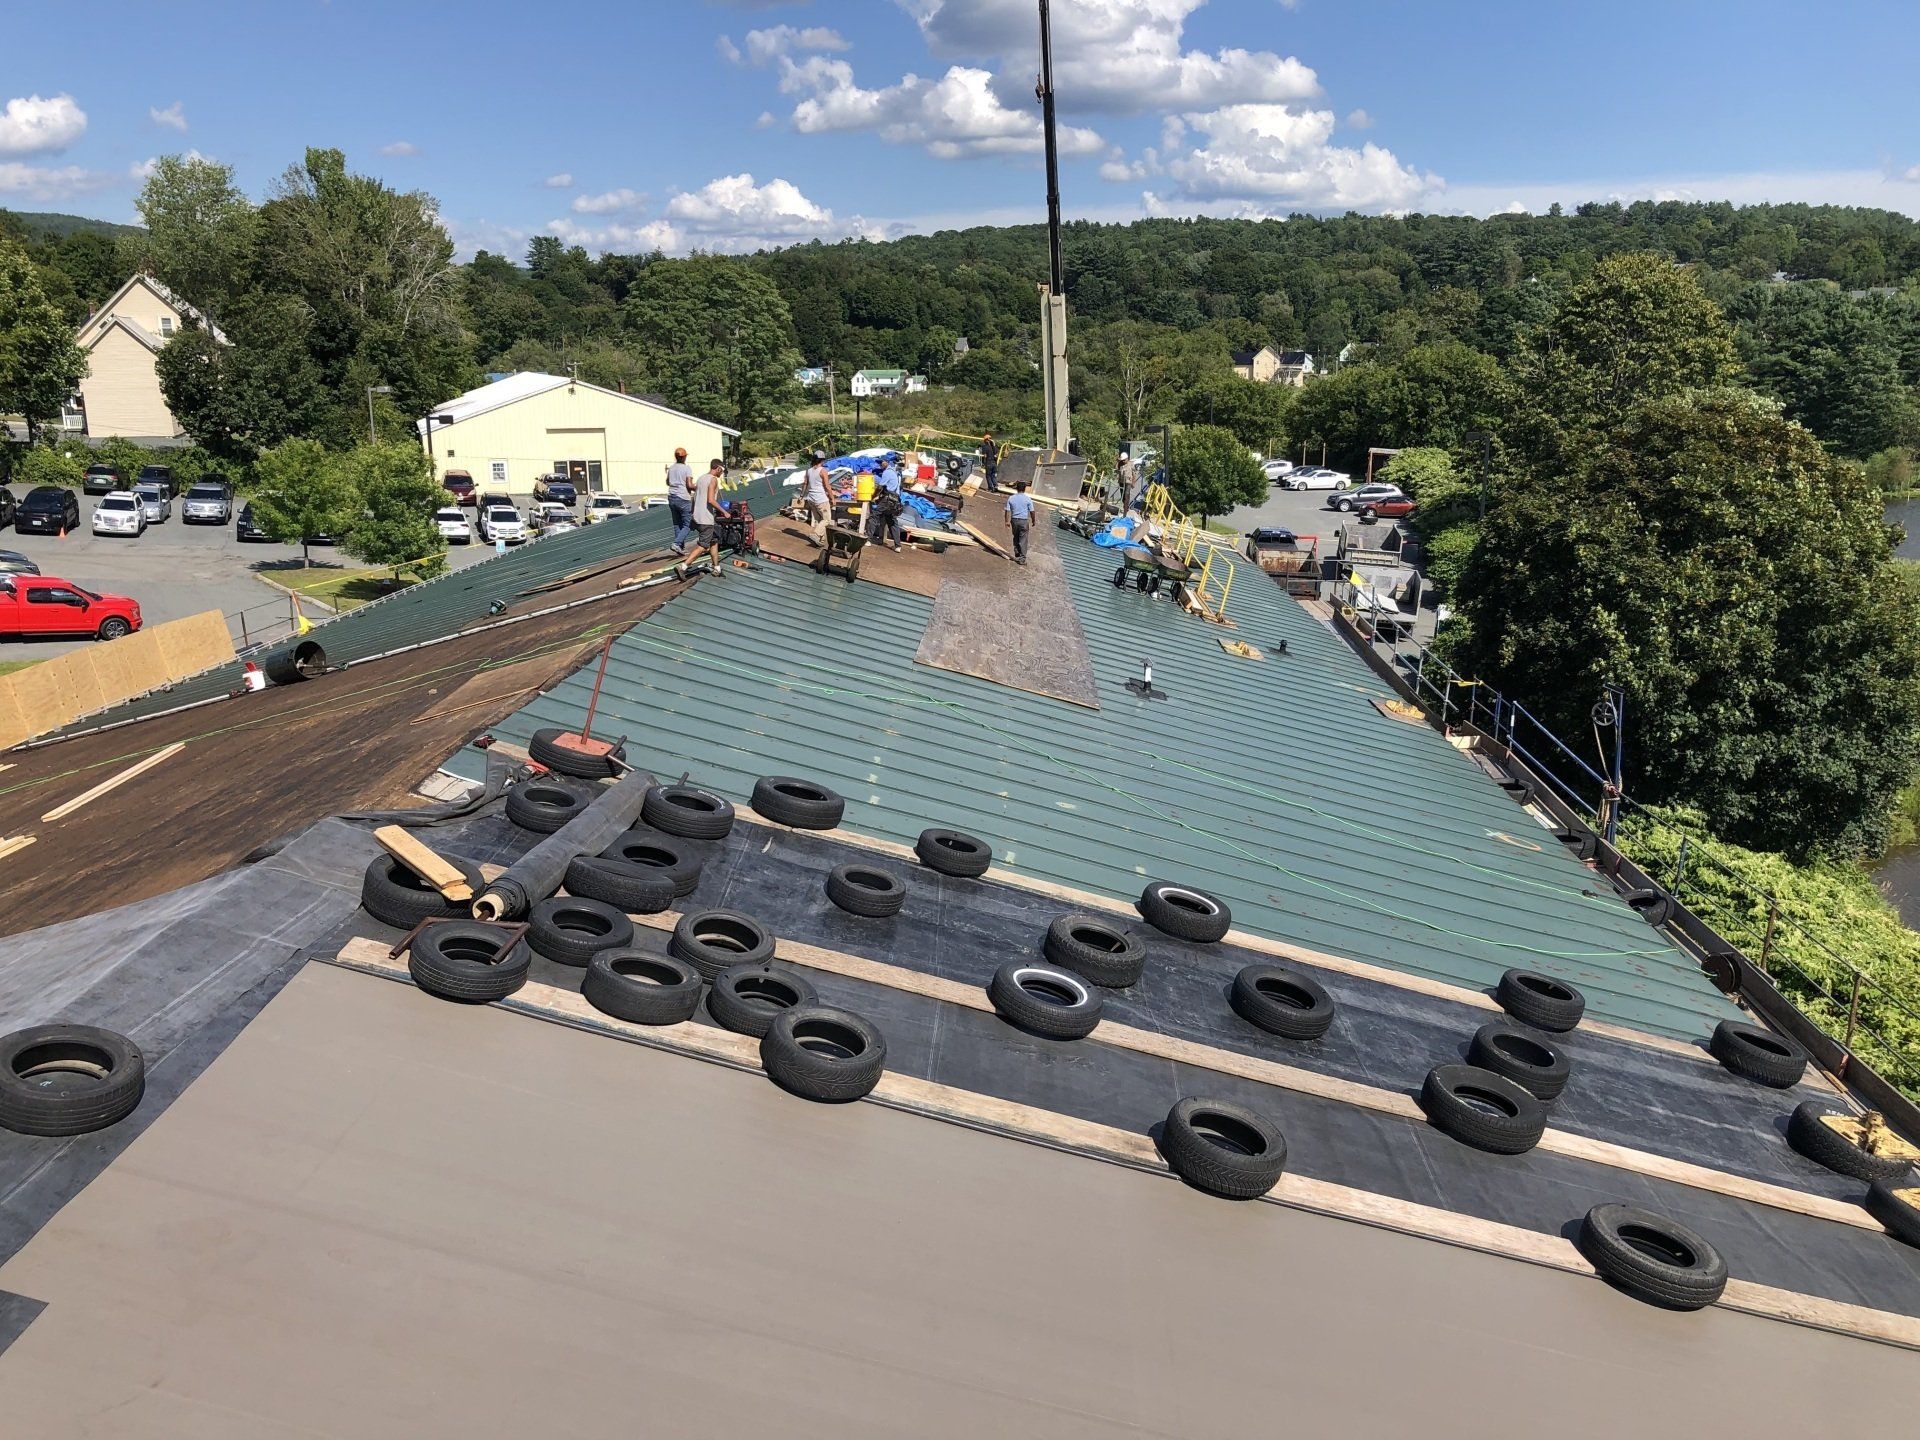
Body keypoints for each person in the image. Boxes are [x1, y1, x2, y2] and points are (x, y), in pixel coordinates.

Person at [691, 458, 725, 574]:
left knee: (713, 541)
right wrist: (724, 512)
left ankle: (717, 568)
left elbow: (694, 498)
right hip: (706, 518)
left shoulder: (701, 478)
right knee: (703, 546)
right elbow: (711, 500)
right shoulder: (713, 480)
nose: (722, 473)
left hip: (697, 517)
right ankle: (684, 566)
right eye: (722, 470)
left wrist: (692, 514)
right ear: (718, 468)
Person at [871, 455, 906, 552]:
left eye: (881, 462)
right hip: (895, 501)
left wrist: (873, 497)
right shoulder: (896, 473)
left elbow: (880, 487)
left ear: (886, 462)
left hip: (888, 499)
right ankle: (897, 546)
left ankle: (868, 539)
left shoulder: (887, 472)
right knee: (892, 521)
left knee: (874, 515)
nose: (880, 465)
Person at [665, 447, 694, 553]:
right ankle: (676, 544)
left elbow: (668, 482)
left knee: (677, 524)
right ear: (684, 457)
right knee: (689, 524)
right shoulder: (687, 468)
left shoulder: (671, 468)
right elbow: (689, 485)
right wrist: (699, 487)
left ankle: (680, 548)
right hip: (683, 498)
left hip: (672, 497)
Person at [803, 451, 832, 546]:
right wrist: (832, 498)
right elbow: (827, 486)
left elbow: (805, 484)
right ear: (822, 460)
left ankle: (821, 541)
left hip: (811, 498)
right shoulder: (823, 471)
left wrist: (801, 495)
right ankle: (815, 534)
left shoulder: (809, 470)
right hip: (821, 499)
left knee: (819, 520)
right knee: (826, 520)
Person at [1004, 478, 1035, 566]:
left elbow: (1007, 510)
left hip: (1014, 520)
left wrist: (1006, 521)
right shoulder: (1028, 499)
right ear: (1024, 489)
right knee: (1023, 539)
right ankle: (1022, 559)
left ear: (1016, 488)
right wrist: (1033, 520)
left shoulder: (1011, 498)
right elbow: (1032, 511)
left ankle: (1017, 552)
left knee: (1016, 536)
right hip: (1023, 521)